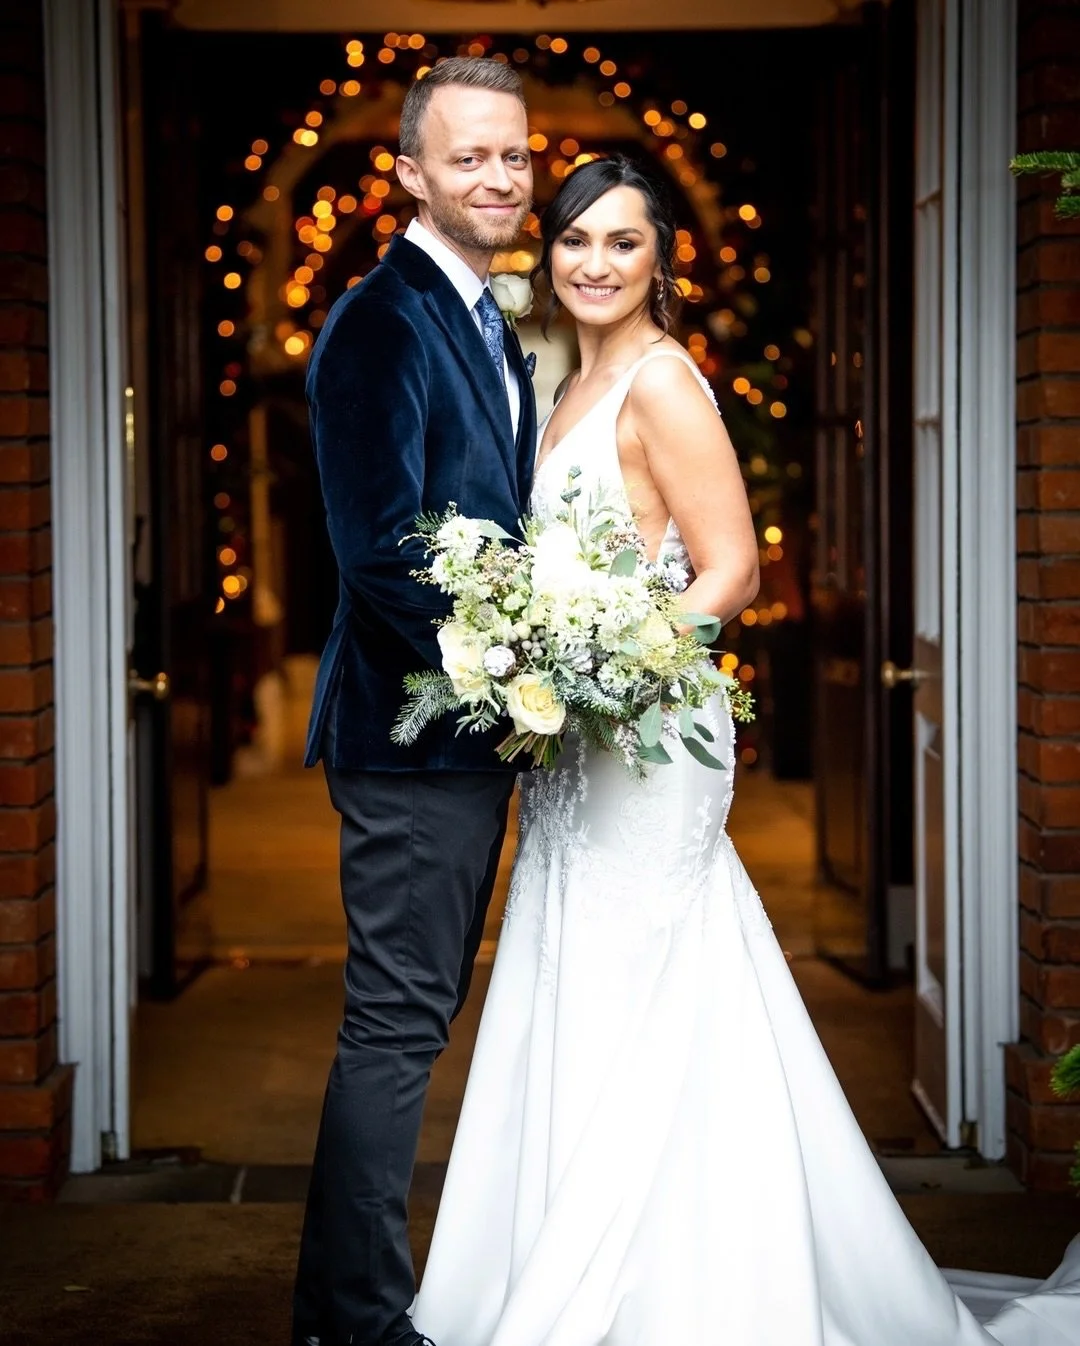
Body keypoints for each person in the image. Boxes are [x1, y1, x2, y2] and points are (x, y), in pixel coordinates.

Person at [412, 155, 1080, 1346]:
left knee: (647, 973)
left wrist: (609, 664)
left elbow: (731, 568)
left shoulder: (665, 381)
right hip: (575, 740)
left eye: (624, 241)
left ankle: (681, 1294)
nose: (596, 263)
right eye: (576, 239)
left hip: (647, 730)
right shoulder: (563, 381)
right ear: (548, 254)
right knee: (578, 973)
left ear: (661, 258)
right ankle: (570, 1256)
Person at [292, 58, 536, 1346]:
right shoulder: (381, 320)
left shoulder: (488, 320)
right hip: (410, 739)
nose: (498, 177)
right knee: (395, 1025)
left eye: (515, 155)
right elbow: (380, 548)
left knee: (415, 1016)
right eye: (468, 156)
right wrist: (519, 659)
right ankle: (352, 1320)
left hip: (473, 740)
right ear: (410, 174)